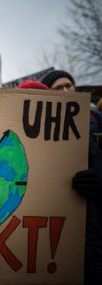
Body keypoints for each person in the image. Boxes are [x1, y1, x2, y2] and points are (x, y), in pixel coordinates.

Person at [40, 71, 102, 284]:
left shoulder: (94, 134)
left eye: (69, 85)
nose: (66, 91)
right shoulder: (40, 144)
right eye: (58, 88)